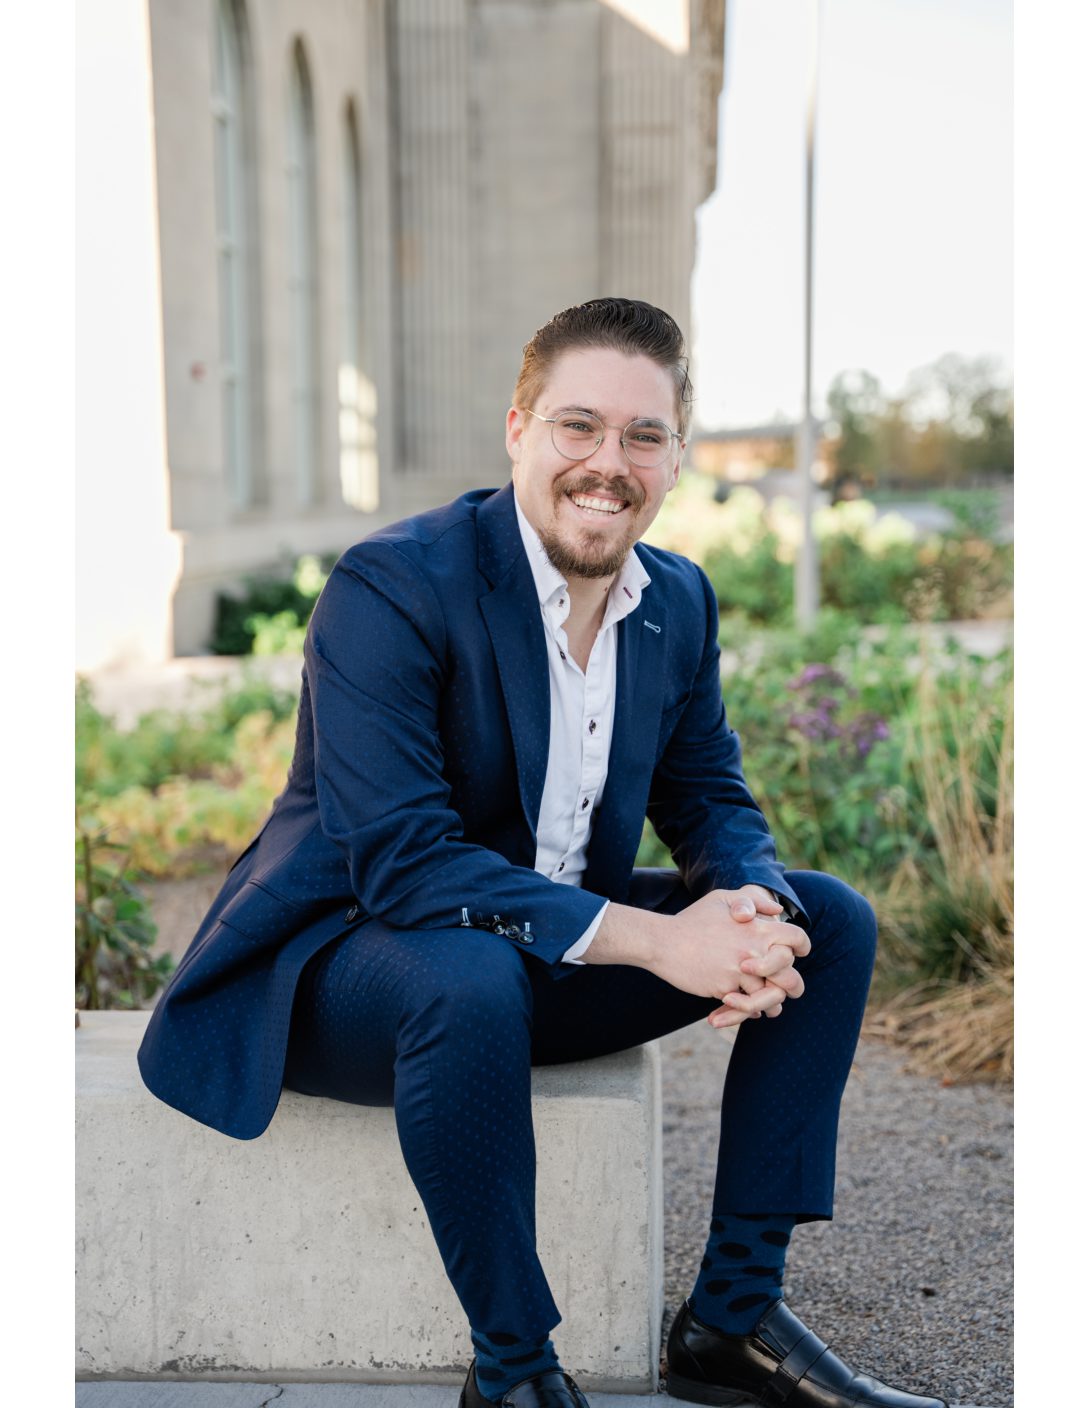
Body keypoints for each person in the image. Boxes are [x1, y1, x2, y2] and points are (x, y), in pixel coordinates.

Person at [138, 298, 946, 1408]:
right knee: (467, 974)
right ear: (518, 429)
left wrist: (750, 910)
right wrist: (659, 941)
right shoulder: (393, 586)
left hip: (537, 959)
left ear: (675, 458)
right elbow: (404, 862)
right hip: (344, 969)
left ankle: (730, 1321)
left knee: (826, 919)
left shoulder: (676, 599)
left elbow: (708, 794)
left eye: (643, 435)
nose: (608, 463)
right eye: (579, 425)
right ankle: (514, 1369)